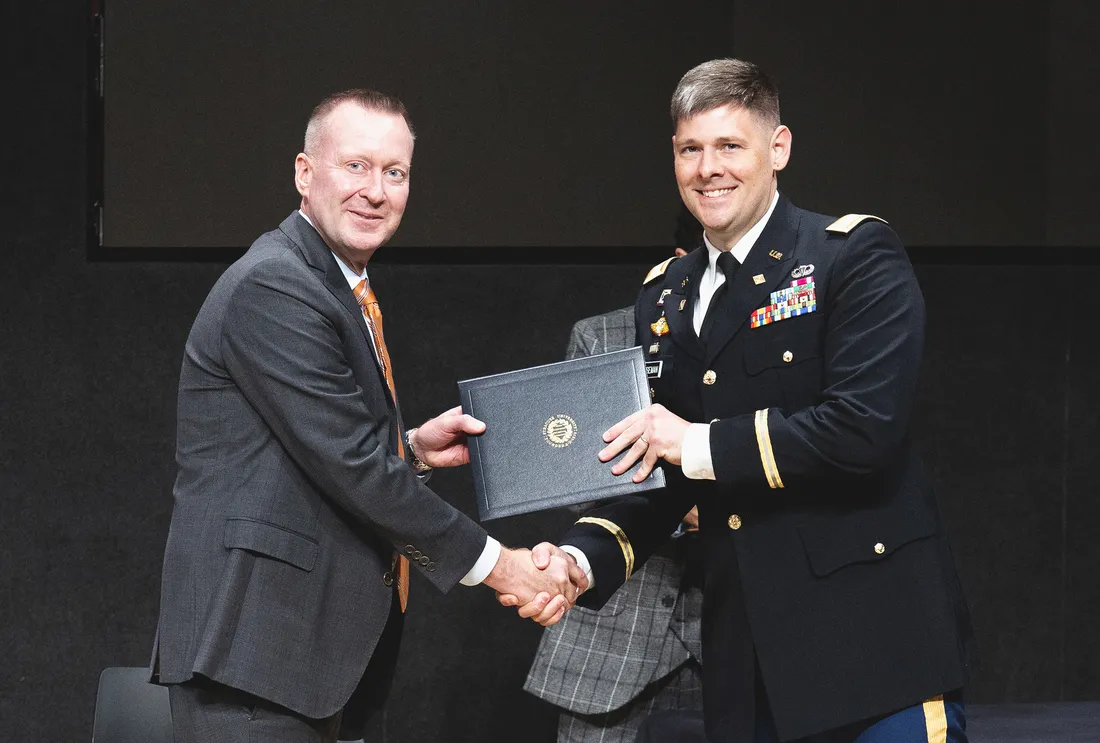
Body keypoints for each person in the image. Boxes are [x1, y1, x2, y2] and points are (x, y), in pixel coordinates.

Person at [506, 59, 974, 742]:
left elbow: (862, 430)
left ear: (777, 149)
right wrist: (581, 562)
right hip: (747, 666)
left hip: (874, 648)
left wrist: (690, 442)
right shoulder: (663, 295)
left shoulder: (852, 255)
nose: (709, 168)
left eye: (731, 146)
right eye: (692, 149)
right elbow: (658, 477)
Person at [149, 88, 586, 743]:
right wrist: (504, 565)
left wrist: (408, 450)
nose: (376, 191)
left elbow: (316, 450)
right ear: (304, 171)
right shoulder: (276, 285)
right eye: (355, 165)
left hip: (313, 667)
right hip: (255, 663)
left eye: (395, 172)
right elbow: (351, 466)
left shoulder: (337, 285)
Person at [524, 251, 705, 743]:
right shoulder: (603, 336)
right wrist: (683, 510)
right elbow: (579, 483)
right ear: (678, 261)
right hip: (614, 643)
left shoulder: (781, 333)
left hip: (746, 638)